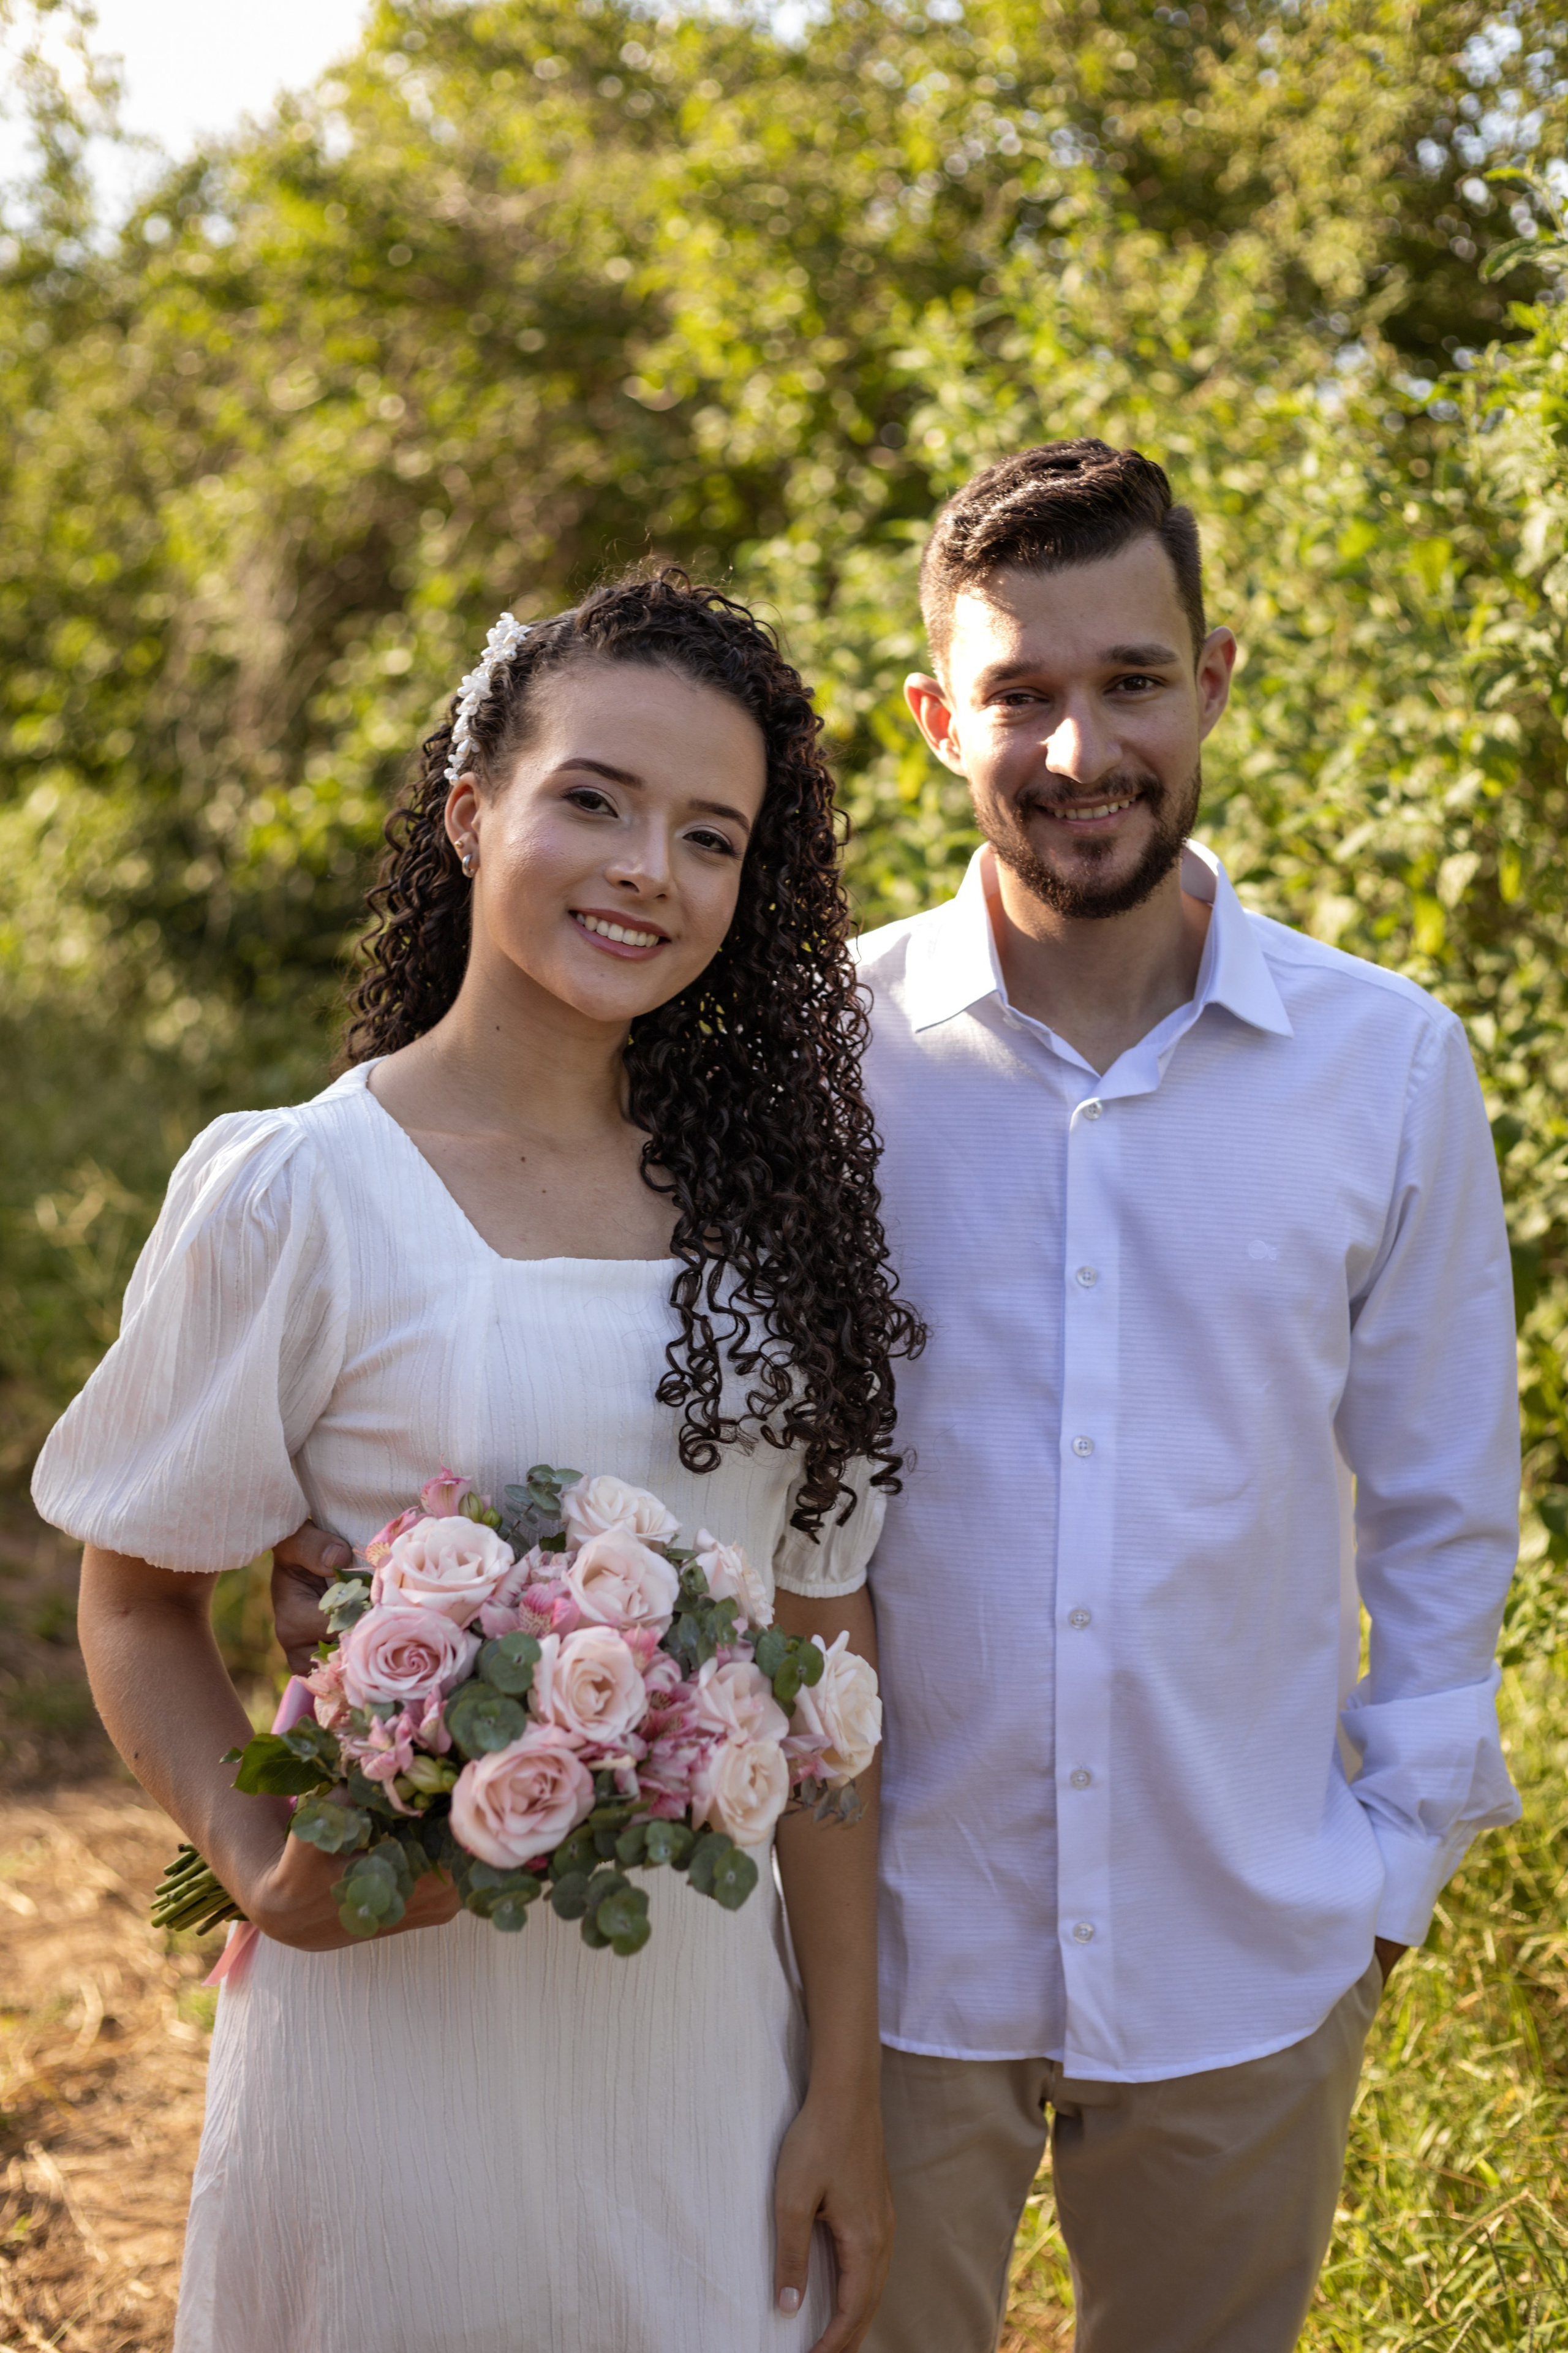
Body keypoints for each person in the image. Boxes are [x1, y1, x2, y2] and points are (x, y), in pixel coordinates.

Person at [32, 570, 923, 2353]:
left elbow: (825, 1673)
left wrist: (844, 2084)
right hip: (389, 2043)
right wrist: (251, 1842)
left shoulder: (788, 1232)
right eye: (591, 798)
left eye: (709, 835)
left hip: (698, 2055)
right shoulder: (296, 1187)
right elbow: (134, 1597)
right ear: (471, 811)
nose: (644, 870)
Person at [846, 442, 1521, 2353]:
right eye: (1022, 695)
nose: (1079, 751)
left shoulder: (1387, 1066)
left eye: (1131, 680)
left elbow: (1447, 1499)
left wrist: (1392, 1863)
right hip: (888, 1954)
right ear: (933, 718)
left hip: (1254, 1944)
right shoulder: (829, 1052)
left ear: (1213, 679)